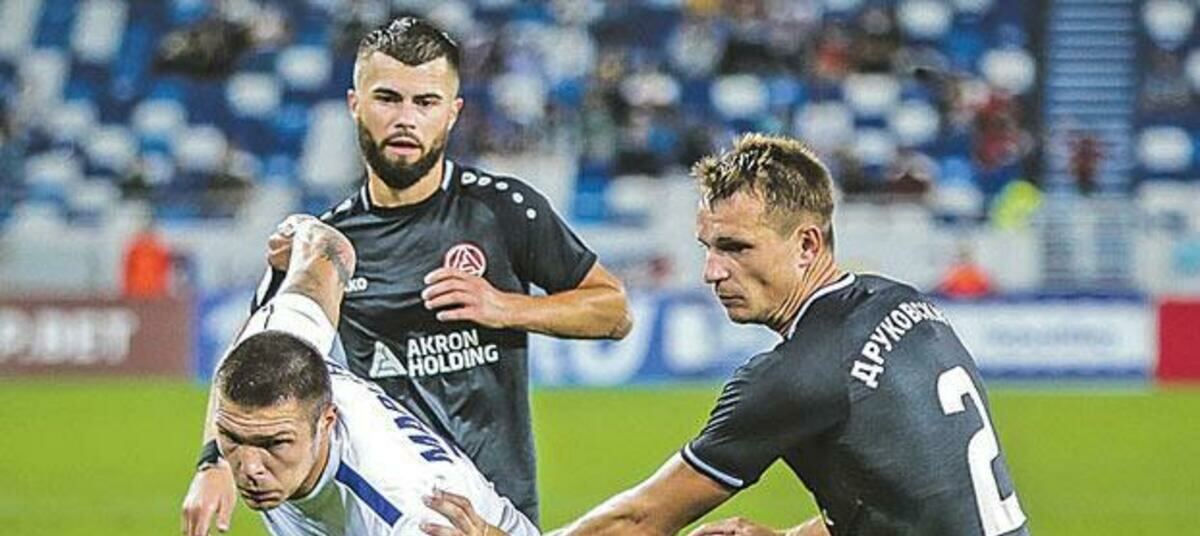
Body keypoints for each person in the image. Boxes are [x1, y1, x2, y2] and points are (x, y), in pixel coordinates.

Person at [420, 134, 1028, 536]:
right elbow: (914, 500)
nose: (712, 271)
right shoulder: (904, 304)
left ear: (807, 244)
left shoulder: (791, 376)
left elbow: (642, 520)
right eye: (708, 247)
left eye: (736, 247)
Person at [182, 16, 631, 534]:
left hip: (490, 511)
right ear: (355, 104)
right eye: (388, 98)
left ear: (453, 113)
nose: (405, 119)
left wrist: (507, 307)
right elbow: (251, 359)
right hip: (378, 504)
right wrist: (213, 462)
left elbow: (614, 311)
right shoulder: (328, 251)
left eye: (426, 102)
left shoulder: (502, 211)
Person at [195, 215, 538, 536]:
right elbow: (330, 248)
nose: (250, 469)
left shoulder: (408, 512)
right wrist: (213, 461)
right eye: (233, 438)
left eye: (275, 443)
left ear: (327, 421)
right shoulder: (284, 347)